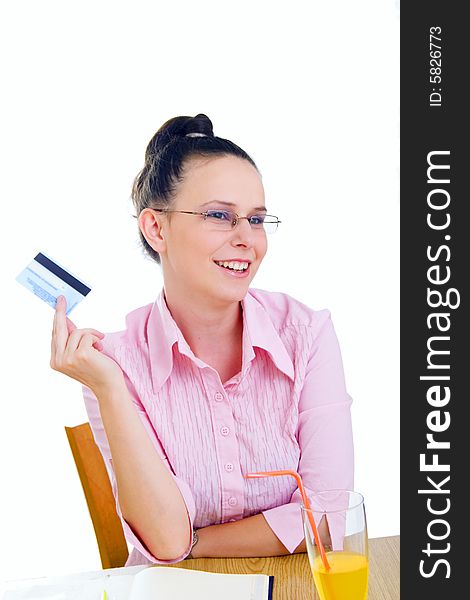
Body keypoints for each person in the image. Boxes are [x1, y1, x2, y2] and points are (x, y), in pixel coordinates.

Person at [50, 113, 354, 566]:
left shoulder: (306, 334)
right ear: (156, 228)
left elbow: (330, 515)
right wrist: (109, 389)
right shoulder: (115, 364)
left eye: (256, 219)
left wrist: (198, 543)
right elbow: (165, 541)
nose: (247, 240)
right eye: (219, 216)